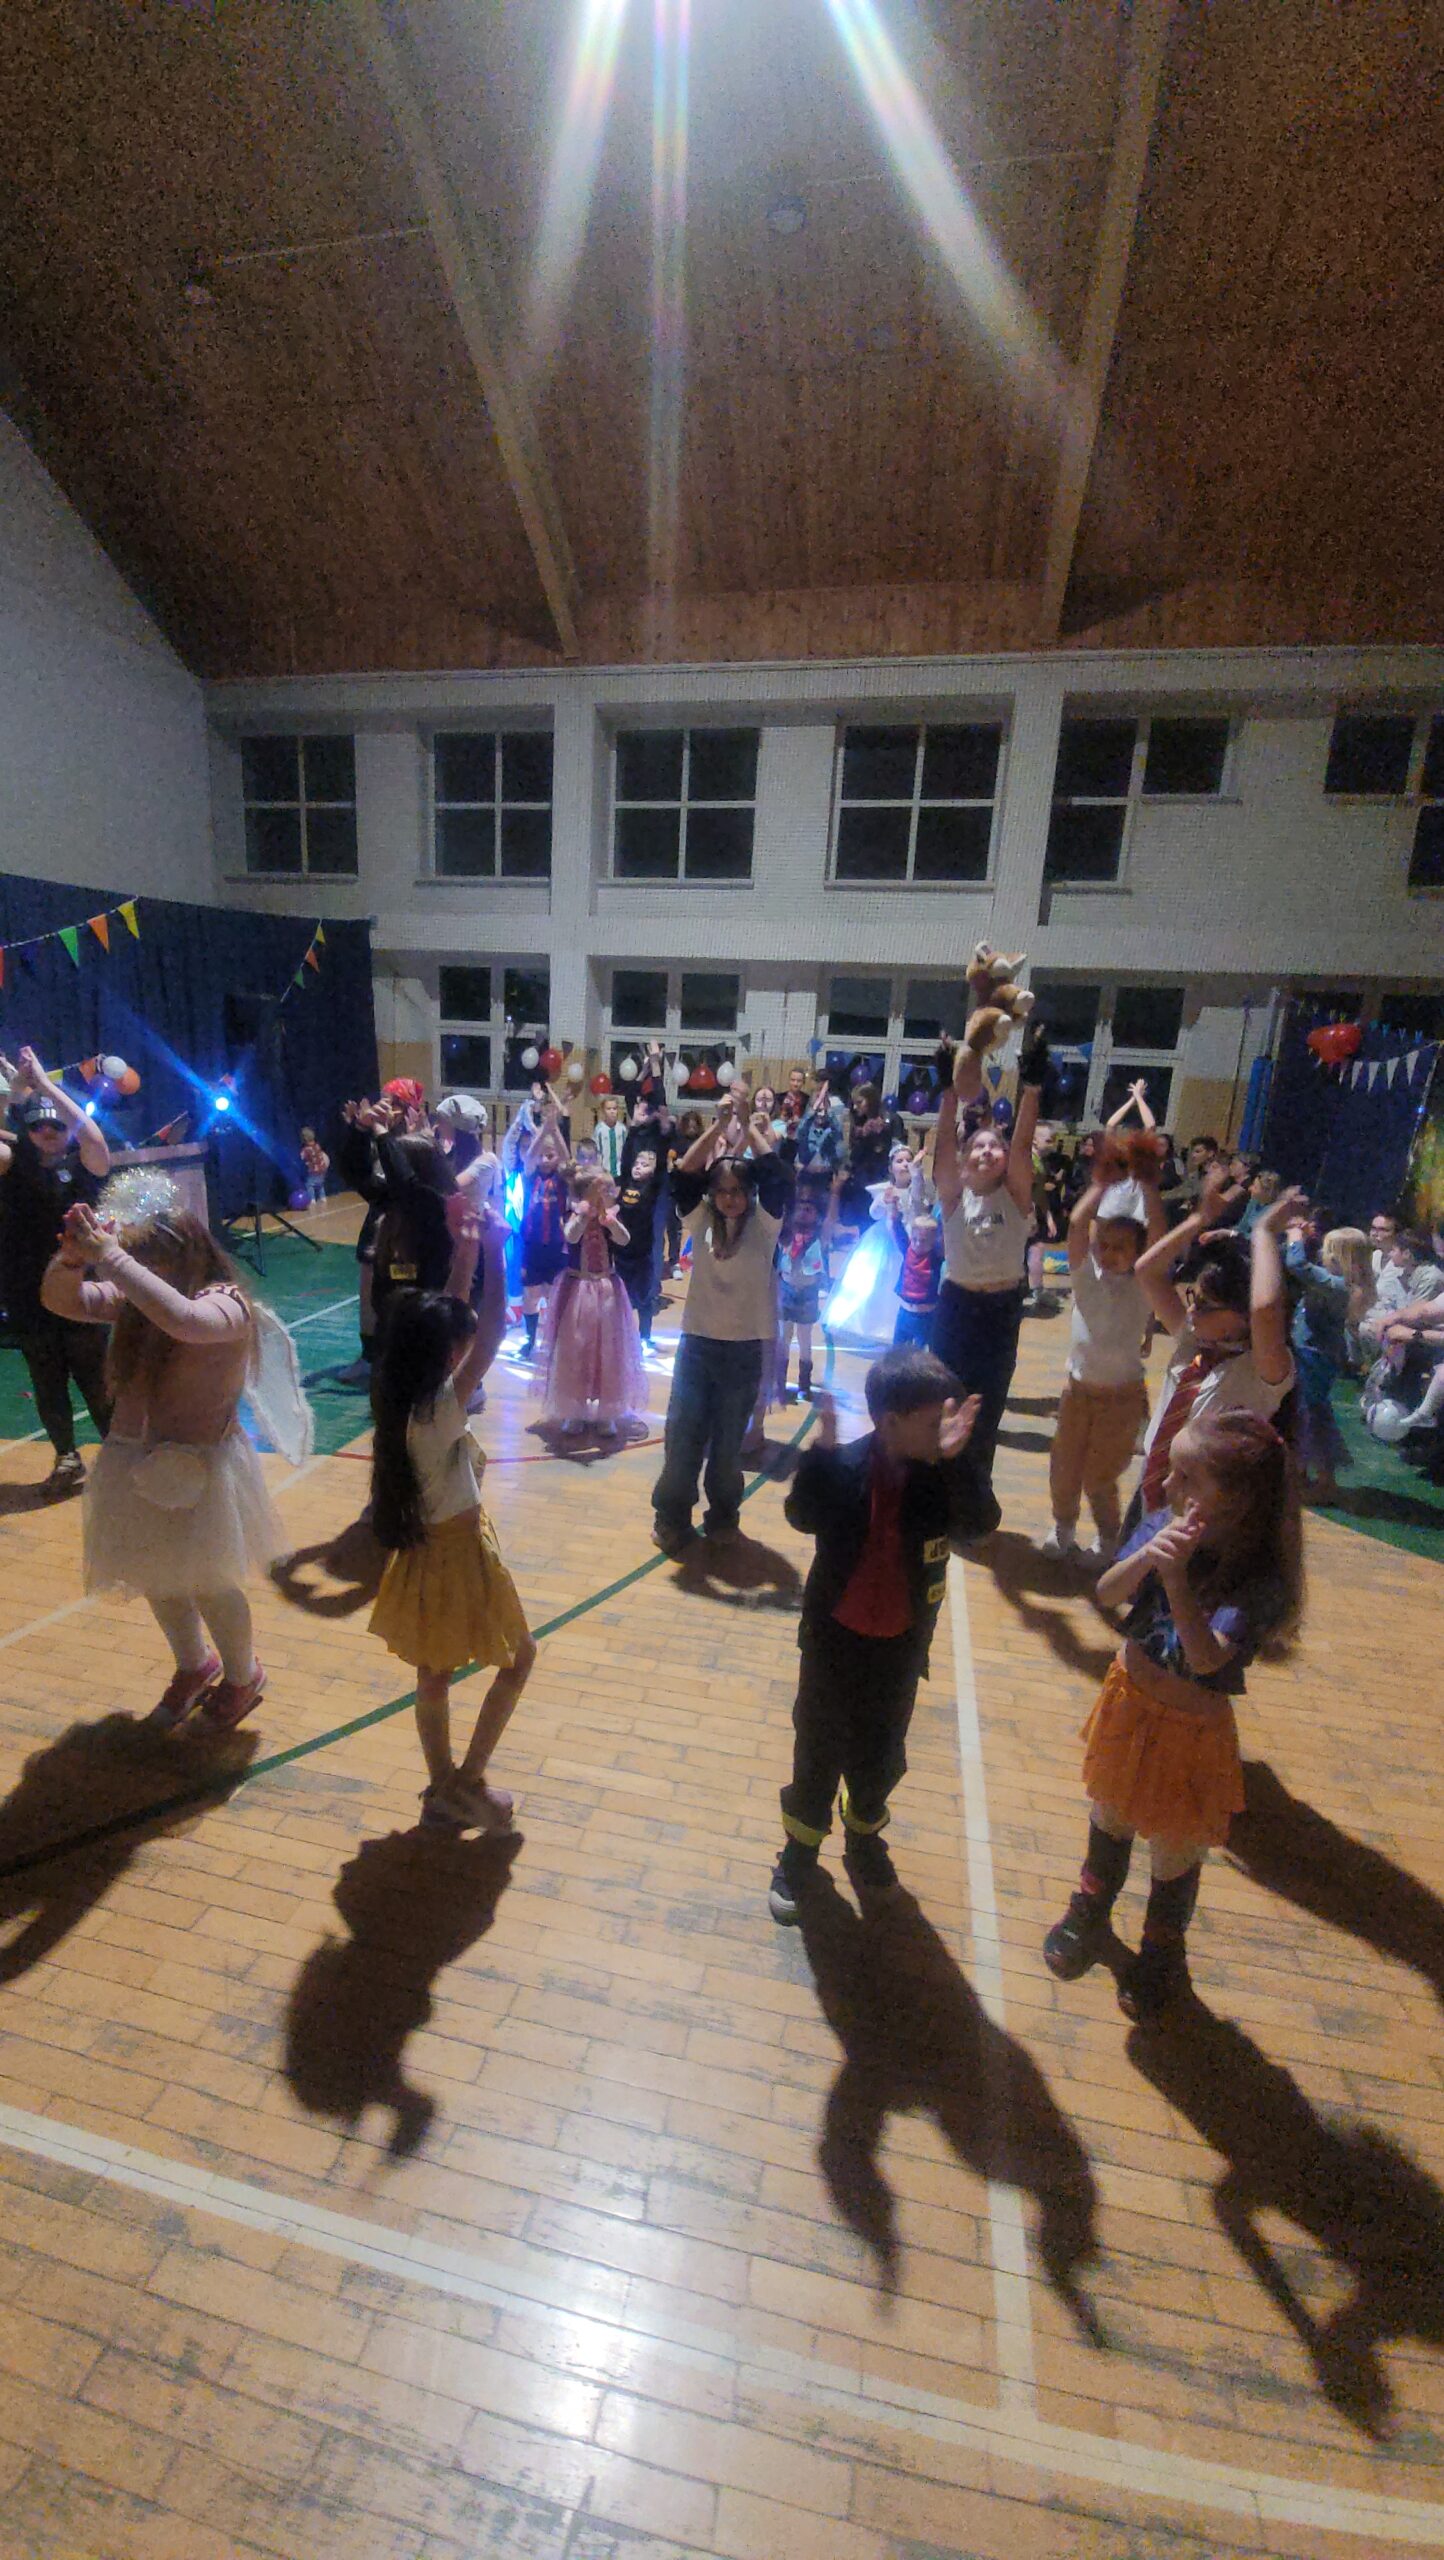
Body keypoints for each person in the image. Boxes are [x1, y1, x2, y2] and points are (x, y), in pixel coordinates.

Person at [1042, 1410, 1303, 2021]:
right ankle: (1090, 1908)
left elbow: (1207, 1658)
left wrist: (1176, 1578)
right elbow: (1107, 1593)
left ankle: (1162, 1950)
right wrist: (1145, 1560)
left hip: (1190, 1732)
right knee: (1109, 1814)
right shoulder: (1162, 1521)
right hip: (1128, 1703)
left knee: (1176, 1849)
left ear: (1236, 1502)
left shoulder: (1257, 1577)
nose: (1165, 1486)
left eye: (1186, 1477)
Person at [42, 1177, 300, 1729]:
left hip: (199, 1469)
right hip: (136, 1461)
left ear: (180, 1252)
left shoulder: (226, 1303)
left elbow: (186, 1322)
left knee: (210, 1581)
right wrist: (71, 1261)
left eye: (145, 1258)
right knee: (156, 1573)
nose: (135, 1269)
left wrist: (111, 1258)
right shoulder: (140, 1302)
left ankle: (242, 1675)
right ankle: (194, 1664)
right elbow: (61, 1300)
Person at [767, 1346, 996, 1923]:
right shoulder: (845, 1467)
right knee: (817, 1750)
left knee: (881, 1753)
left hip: (900, 1649)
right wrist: (818, 1459)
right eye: (934, 1420)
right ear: (891, 1422)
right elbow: (801, 1516)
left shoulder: (940, 1477)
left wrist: (957, 1462)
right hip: (832, 1645)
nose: (945, 1430)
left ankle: (864, 1836)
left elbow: (980, 1523)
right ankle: (800, 1851)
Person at [368, 1206, 534, 1830]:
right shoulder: (438, 1410)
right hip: (456, 1553)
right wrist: (494, 1248)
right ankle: (463, 1781)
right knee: (518, 1659)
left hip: (429, 1551)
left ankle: (444, 1786)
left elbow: (452, 1319)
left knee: (434, 1674)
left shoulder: (400, 1395)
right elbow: (487, 1335)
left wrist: (464, 1255)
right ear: (443, 1356)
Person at [652, 1107, 788, 1554]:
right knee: (683, 1438)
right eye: (722, 1191)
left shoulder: (765, 1226)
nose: (729, 1199)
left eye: (738, 1191)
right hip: (698, 1347)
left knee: (729, 1447)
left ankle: (724, 1516)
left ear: (749, 1194)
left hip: (743, 1352)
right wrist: (716, 1126)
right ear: (712, 1195)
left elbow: (776, 1174)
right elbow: (684, 1175)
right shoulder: (701, 1221)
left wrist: (747, 1125)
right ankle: (671, 1517)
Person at [1129, 1170, 1297, 1526]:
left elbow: (1265, 1308)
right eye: (1194, 1297)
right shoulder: (1194, 1341)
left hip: (1200, 1513)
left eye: (1205, 1305)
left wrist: (1263, 1231)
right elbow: (1147, 1271)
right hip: (1151, 1492)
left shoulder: (1262, 1373)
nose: (1191, 1311)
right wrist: (1199, 1218)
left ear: (1242, 1317)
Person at [929, 994, 1047, 1486]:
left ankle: (974, 1494)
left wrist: (1031, 1086)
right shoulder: (953, 1198)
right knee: (946, 1401)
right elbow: (942, 1150)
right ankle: (938, 1487)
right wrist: (947, 1093)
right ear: (964, 1161)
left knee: (988, 1404)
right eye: (977, 1145)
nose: (986, 1151)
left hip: (1000, 1310)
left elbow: (1022, 1144)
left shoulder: (1014, 1197)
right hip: (956, 1305)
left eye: (993, 1146)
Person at [1041, 1145, 1168, 1563]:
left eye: (1121, 1247)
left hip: (1121, 1397)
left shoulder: (1144, 1284)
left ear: (1139, 1253)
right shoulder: (1085, 1279)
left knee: (1100, 1474)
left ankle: (1109, 1538)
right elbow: (1078, 1224)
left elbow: (1159, 1236)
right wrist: (1100, 1184)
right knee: (1064, 1467)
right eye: (1104, 1245)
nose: (1108, 1253)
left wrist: (1148, 1186)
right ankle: (1062, 1527)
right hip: (1077, 1392)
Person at [0, 1047, 112, 1494]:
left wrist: (46, 1086)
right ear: (26, 1131)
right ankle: (66, 1456)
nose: (47, 1132)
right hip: (27, 1291)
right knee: (46, 1380)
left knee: (98, 1380)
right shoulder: (13, 1164)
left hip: (80, 1290)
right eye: (37, 1126)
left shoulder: (84, 1166)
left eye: (56, 1126)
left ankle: (121, 1456)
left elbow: (94, 1137)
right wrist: (12, 1094)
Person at [536, 1166, 646, 1436]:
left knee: (607, 1348)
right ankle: (575, 1409)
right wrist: (584, 1215)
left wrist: (611, 1222)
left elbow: (624, 1240)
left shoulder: (611, 1216)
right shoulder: (573, 1213)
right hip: (578, 1288)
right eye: (602, 1189)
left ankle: (606, 1411)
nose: (609, 1194)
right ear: (585, 1193)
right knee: (577, 1346)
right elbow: (571, 1236)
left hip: (607, 1288)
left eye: (608, 1189)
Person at [1285, 1220, 1374, 1502]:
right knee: (1306, 1415)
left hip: (1314, 1355)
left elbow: (1297, 1265)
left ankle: (1325, 1483)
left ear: (1340, 1257)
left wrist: (1294, 1237)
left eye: (1327, 1251)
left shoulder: (1338, 1285)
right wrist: (1307, 1237)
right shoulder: (1340, 1281)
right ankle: (1302, 1474)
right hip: (1314, 1353)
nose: (1322, 1255)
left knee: (1312, 1418)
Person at [517, 1120, 572, 1360]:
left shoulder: (562, 1178)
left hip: (556, 1245)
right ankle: (530, 1339)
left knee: (552, 1295)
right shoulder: (531, 1175)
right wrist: (542, 1133)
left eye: (550, 1155)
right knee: (530, 1294)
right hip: (532, 1244)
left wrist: (555, 1129)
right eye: (542, 1155)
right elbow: (530, 1156)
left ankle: (553, 1340)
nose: (545, 1160)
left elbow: (567, 1158)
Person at [612, 1141, 667, 1349]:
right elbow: (627, 1158)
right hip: (621, 1253)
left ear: (653, 1171)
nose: (638, 1167)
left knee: (644, 1297)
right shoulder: (625, 1182)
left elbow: (661, 1167)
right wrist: (634, 1132)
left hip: (642, 1253)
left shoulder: (652, 1188)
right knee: (621, 1298)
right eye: (637, 1163)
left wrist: (660, 1136)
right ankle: (621, 1335)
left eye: (645, 1165)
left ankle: (645, 1336)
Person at [777, 1187, 829, 1401]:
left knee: (805, 1339)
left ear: (816, 1213)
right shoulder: (785, 1233)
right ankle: (779, 1382)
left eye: (809, 1209)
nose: (804, 1213)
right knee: (784, 1337)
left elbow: (831, 1219)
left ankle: (804, 1384)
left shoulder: (819, 1236)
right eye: (800, 1208)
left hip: (808, 1293)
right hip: (786, 1289)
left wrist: (835, 1192)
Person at [893, 1206, 943, 1346]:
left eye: (924, 1240)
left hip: (925, 1316)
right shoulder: (907, 1250)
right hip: (905, 1312)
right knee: (897, 1350)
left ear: (933, 1241)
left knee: (922, 1351)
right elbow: (896, 1229)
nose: (918, 1244)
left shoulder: (935, 1257)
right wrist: (893, 1209)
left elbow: (945, 1237)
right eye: (914, 1239)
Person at [593, 1092, 627, 1182]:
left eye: (614, 1108)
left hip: (619, 1171)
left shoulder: (622, 1129)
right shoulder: (599, 1129)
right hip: (604, 1172)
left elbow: (626, 1149)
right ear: (603, 1110)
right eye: (608, 1109)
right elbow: (597, 1151)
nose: (612, 1111)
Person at [298, 1125, 330, 1208]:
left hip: (314, 1170)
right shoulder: (317, 1146)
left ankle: (312, 1199)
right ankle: (323, 1197)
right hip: (322, 1168)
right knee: (320, 1184)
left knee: (309, 1184)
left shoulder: (306, 1149)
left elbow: (302, 1157)